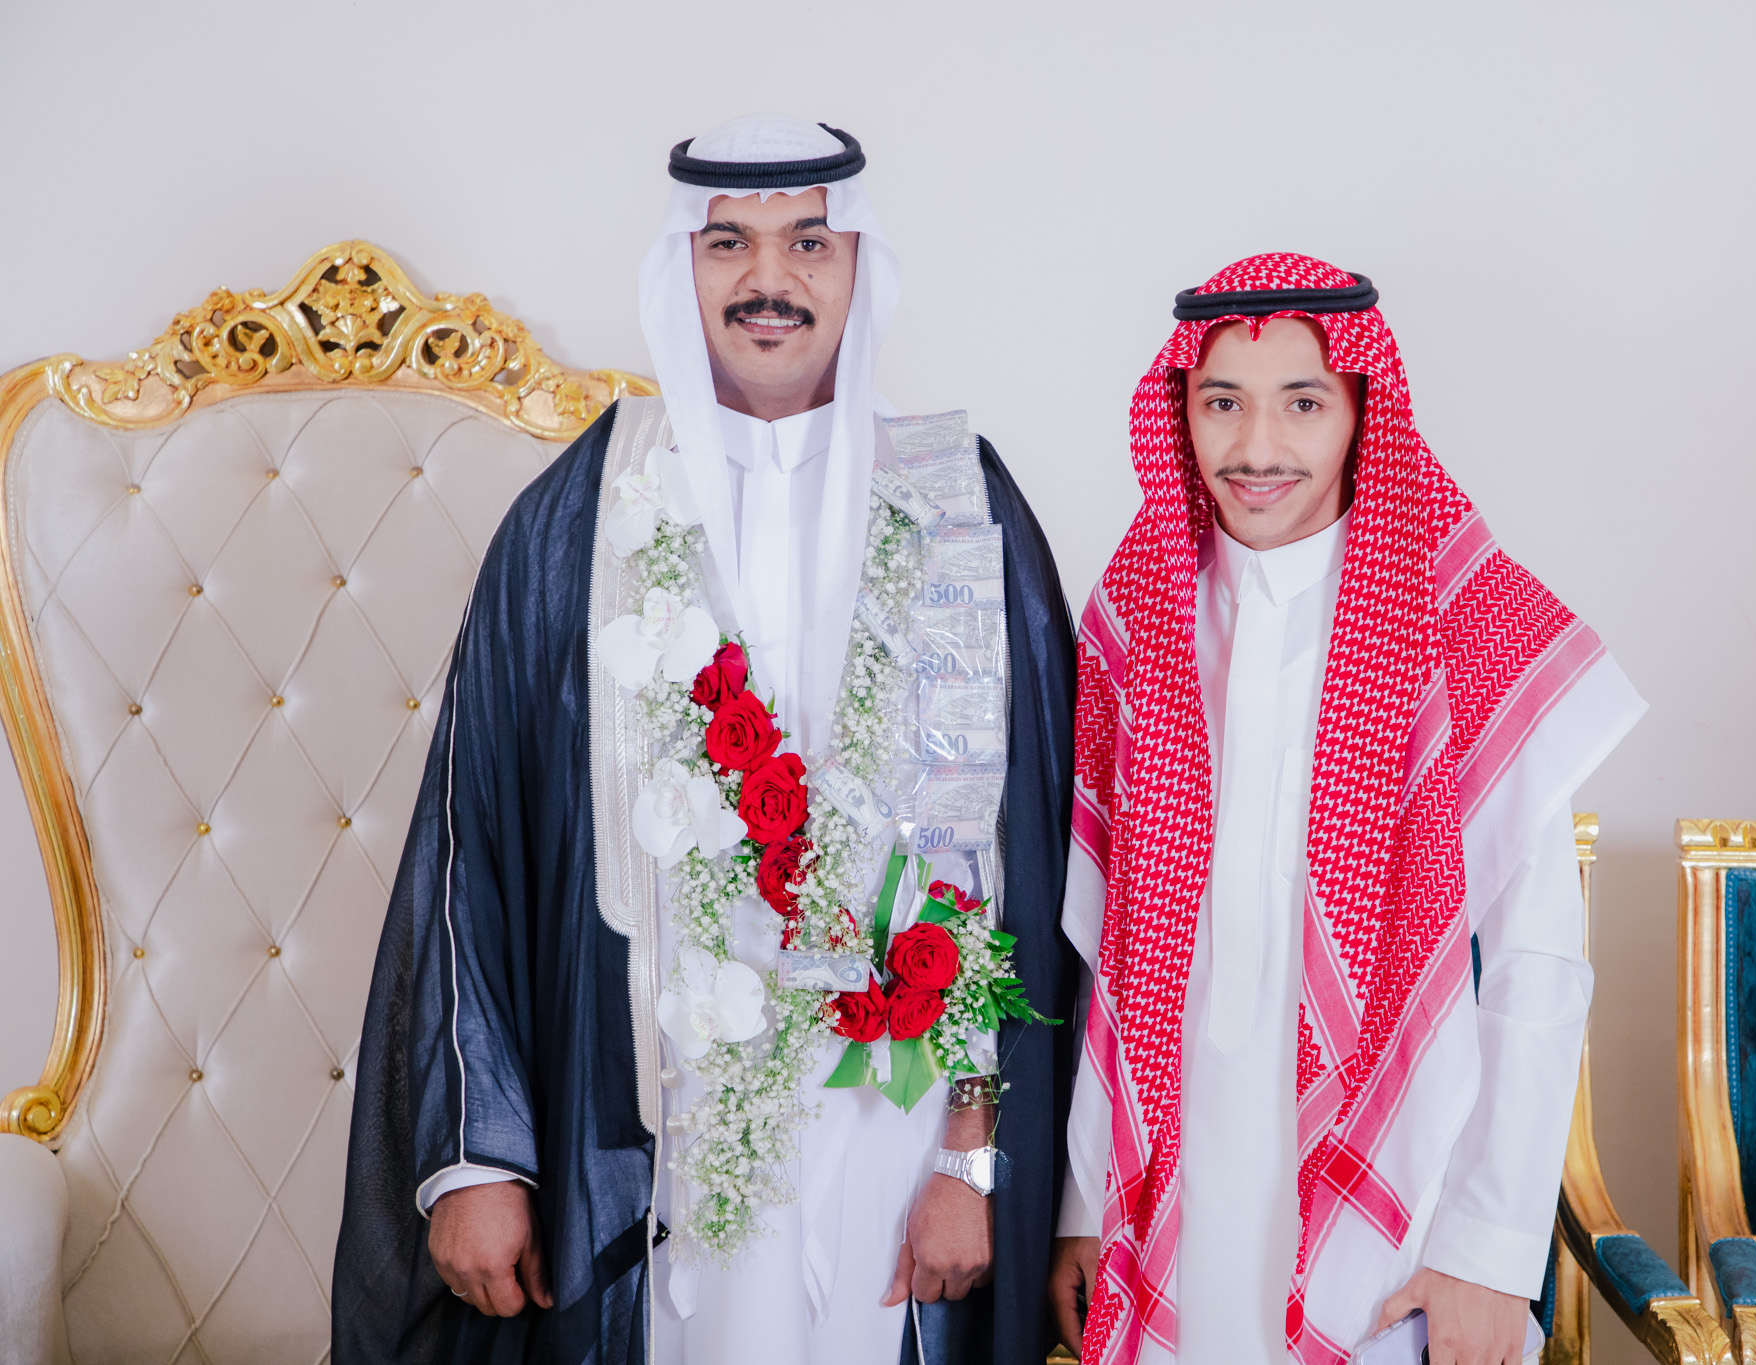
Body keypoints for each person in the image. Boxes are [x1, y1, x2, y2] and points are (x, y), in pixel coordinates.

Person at [334, 114, 1079, 1365]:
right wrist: (477, 1157)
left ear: (859, 267)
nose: (767, 279)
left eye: (808, 243)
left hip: (898, 1148)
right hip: (651, 1141)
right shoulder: (578, 519)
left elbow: (1025, 867)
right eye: (727, 242)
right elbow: (470, 845)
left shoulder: (960, 504)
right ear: (680, 267)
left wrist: (972, 1158)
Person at [1045, 254, 1645, 1365]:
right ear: (1180, 412)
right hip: (1173, 1196)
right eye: (1222, 403)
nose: (1257, 447)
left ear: (1364, 411)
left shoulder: (1463, 619)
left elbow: (1536, 965)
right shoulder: (1138, 610)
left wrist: (1489, 1253)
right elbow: (1105, 948)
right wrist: (1085, 1199)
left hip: (1403, 1217)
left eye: (1303, 403)